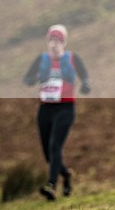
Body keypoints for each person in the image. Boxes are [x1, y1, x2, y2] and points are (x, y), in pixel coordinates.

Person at [23, 24, 91, 200]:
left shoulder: (73, 59)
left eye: (57, 40)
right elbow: (28, 78)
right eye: (50, 40)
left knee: (55, 145)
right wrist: (32, 80)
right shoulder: (41, 60)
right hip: (45, 109)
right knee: (48, 153)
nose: (53, 44)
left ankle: (51, 184)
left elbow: (85, 77)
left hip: (65, 108)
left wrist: (85, 85)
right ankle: (66, 174)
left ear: (63, 42)